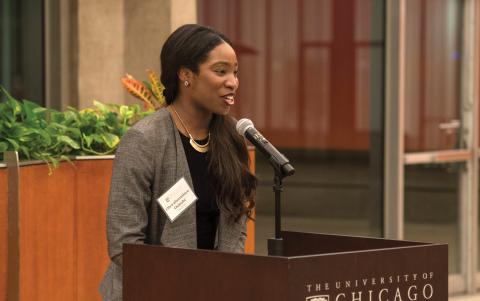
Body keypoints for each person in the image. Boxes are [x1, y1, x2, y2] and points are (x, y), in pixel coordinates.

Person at [99, 24, 257, 300]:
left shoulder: (232, 137)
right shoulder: (144, 140)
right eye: (220, 71)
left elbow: (236, 227)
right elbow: (123, 243)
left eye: (235, 72)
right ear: (186, 75)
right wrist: (180, 286)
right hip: (151, 290)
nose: (232, 82)